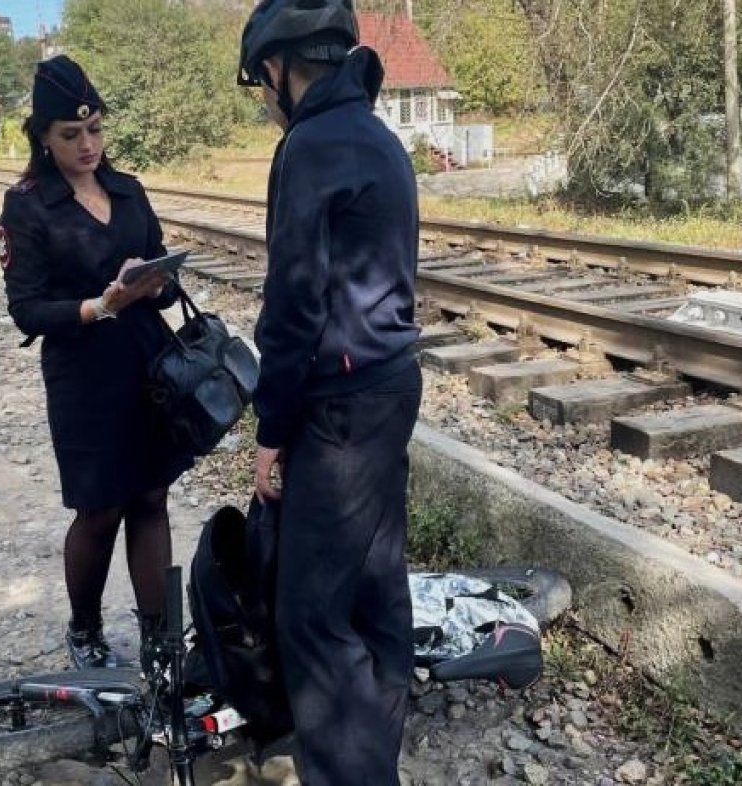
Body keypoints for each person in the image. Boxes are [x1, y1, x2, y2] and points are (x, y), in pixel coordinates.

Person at [238, 1, 424, 784]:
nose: (264, 99)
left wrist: (270, 430)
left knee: (310, 616)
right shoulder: (379, 137)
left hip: (336, 407)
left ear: (279, 69)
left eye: (260, 84)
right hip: (389, 386)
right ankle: (376, 755)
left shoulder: (308, 146)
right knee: (377, 585)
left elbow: (293, 309)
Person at [0, 55, 191, 670]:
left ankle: (160, 639)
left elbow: (158, 261)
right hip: (83, 374)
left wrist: (156, 283)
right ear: (43, 138)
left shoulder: (128, 190)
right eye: (71, 135)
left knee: (152, 496)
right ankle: (85, 628)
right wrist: (98, 306)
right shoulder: (26, 206)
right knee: (100, 506)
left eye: (95, 130)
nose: (87, 145)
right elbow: (27, 310)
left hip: (148, 363)